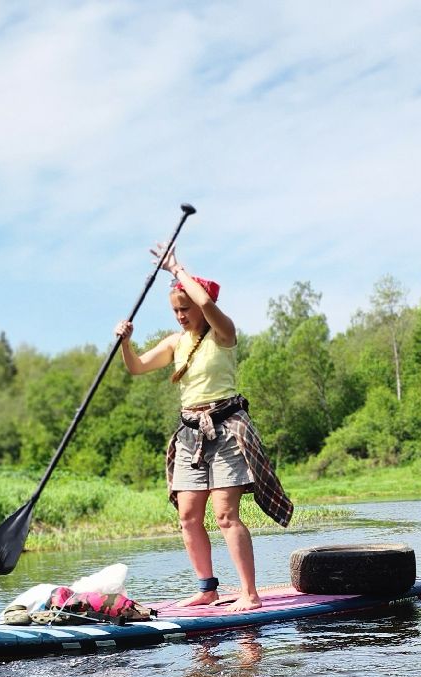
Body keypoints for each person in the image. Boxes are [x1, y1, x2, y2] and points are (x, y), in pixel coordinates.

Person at [116, 245, 292, 611]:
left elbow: (210, 308)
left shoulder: (223, 334)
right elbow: (136, 367)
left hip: (226, 429)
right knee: (188, 516)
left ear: (200, 304)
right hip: (190, 433)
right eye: (175, 310)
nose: (180, 315)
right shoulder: (174, 343)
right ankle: (207, 588)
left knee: (226, 515)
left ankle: (250, 593)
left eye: (185, 308)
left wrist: (178, 269)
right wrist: (126, 343)